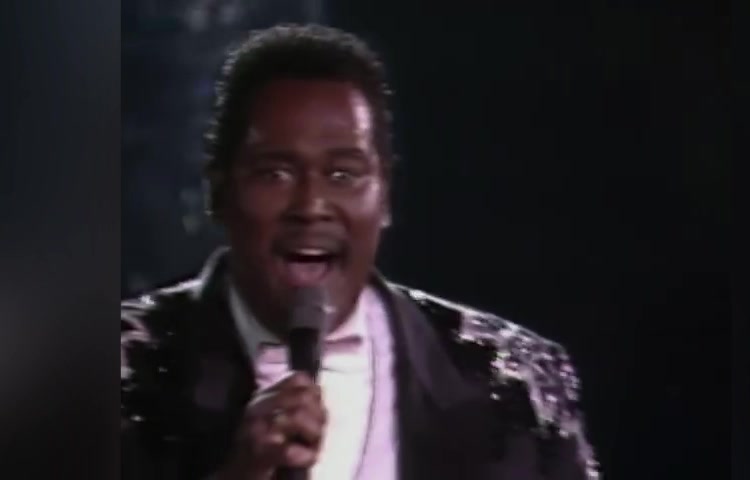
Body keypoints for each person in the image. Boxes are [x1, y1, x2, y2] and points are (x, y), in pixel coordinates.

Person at [121, 23, 600, 480]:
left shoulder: (515, 382)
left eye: (343, 175)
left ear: (385, 196)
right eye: (275, 173)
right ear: (219, 193)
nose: (311, 206)